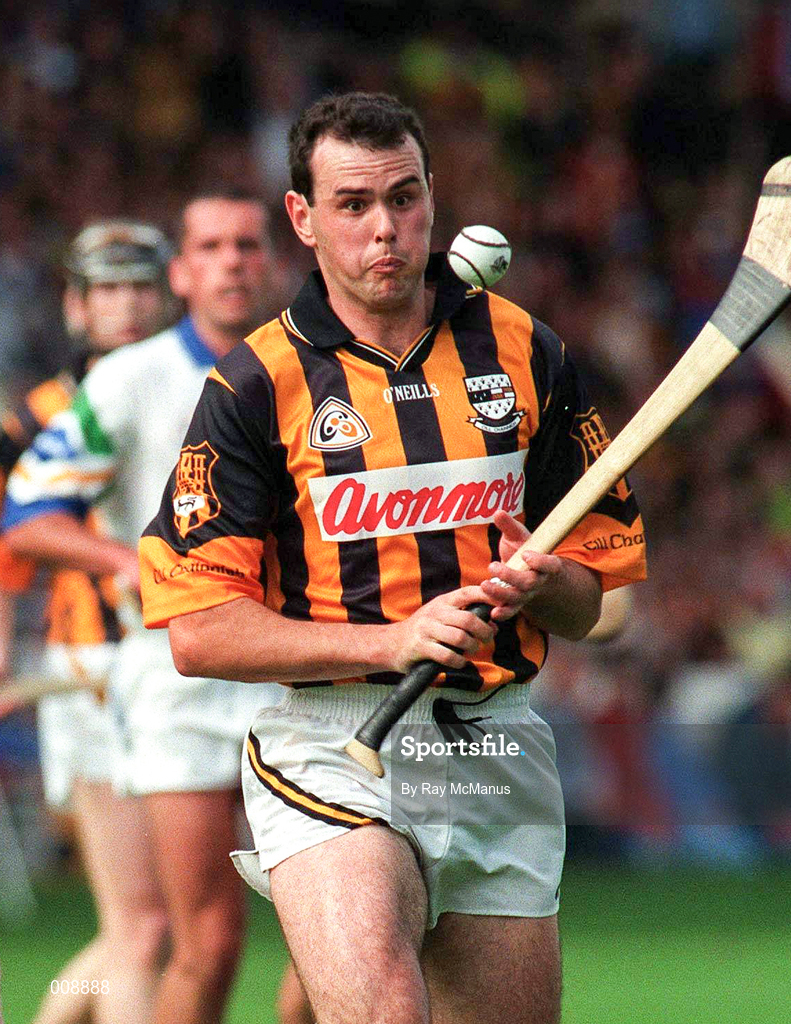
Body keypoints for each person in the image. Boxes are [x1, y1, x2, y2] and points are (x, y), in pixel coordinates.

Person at [139, 93, 647, 1024]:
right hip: (334, 743)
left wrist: (548, 582)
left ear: (431, 198)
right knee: (382, 1009)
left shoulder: (526, 349)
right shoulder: (256, 382)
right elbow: (199, 632)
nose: (387, 229)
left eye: (405, 198)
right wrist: (391, 641)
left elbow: (599, 609)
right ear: (303, 218)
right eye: (354, 204)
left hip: (497, 745)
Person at [3, 192, 311, 1024]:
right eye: (211, 247)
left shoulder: (314, 365)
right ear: (187, 271)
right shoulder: (101, 389)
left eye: (248, 245)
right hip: (136, 671)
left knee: (327, 927)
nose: (234, 262)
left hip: (293, 669)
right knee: (164, 937)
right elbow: (21, 523)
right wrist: (136, 564)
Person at [0, 218, 173, 1024]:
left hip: (183, 671)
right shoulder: (35, 418)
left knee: (149, 933)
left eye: (140, 285)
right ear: (75, 305)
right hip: (91, 677)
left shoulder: (201, 394)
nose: (126, 305)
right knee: (145, 930)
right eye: (107, 288)